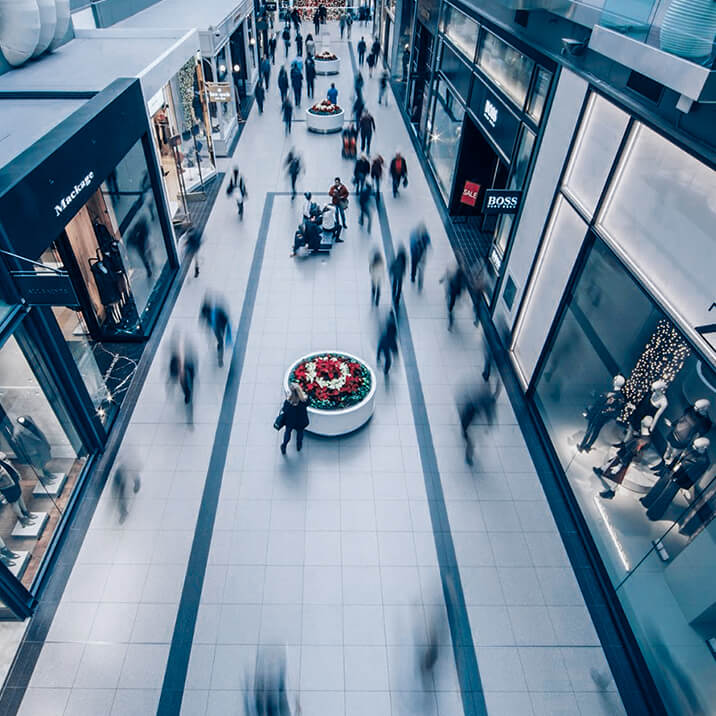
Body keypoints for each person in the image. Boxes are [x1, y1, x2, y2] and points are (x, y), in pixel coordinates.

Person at [458, 383, 498, 465]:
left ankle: (468, 456)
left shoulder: (478, 398)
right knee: (471, 442)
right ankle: (468, 456)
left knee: (471, 441)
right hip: (475, 423)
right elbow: (490, 415)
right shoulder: (488, 401)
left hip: (472, 422)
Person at [200, 295, 232, 366]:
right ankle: (220, 355)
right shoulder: (211, 312)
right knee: (220, 341)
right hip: (216, 328)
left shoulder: (216, 311)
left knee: (220, 341)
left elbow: (225, 317)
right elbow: (202, 319)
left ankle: (220, 357)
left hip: (219, 327)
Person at [280, 383, 309, 453]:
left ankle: (284, 445)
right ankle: (299, 446)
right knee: (300, 433)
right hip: (300, 421)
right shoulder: (304, 401)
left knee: (287, 433)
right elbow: (308, 402)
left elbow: (284, 410)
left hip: (290, 421)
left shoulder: (288, 402)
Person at [111, 460, 141, 525]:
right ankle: (123, 512)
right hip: (121, 471)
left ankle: (137, 483)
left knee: (132, 470)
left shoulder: (130, 463)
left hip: (127, 465)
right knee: (120, 494)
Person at [440, 265, 466, 330]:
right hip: (455, 294)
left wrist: (442, 280)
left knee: (451, 308)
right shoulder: (461, 280)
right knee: (451, 307)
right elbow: (463, 288)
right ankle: (451, 322)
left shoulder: (454, 277)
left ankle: (451, 323)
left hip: (452, 294)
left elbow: (449, 279)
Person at [409, 222, 431, 290]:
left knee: (421, 271)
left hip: (422, 256)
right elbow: (412, 244)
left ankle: (420, 285)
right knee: (414, 266)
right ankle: (413, 276)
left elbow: (428, 242)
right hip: (415, 254)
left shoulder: (426, 235)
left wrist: (427, 246)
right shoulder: (414, 234)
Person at [376, 311, 398, 376]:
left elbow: (379, 347)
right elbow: (394, 349)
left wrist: (378, 356)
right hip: (387, 345)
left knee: (388, 359)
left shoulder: (384, 337)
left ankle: (386, 370)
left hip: (386, 345)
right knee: (388, 360)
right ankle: (386, 370)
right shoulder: (391, 339)